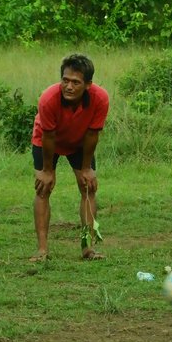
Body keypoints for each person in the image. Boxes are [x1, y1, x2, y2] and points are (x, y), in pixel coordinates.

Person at [31, 54, 110, 262]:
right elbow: (48, 136)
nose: (69, 86)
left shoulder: (100, 98)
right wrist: (47, 171)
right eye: (65, 80)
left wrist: (86, 168)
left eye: (76, 82)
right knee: (43, 188)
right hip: (47, 140)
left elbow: (92, 134)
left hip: (80, 141)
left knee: (88, 187)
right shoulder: (48, 98)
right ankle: (42, 250)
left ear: (88, 85)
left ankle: (88, 247)